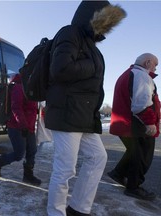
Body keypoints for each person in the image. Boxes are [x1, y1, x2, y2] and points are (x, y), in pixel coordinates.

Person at [45, 1, 126, 215]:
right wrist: (91, 66)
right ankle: (56, 212)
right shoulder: (69, 33)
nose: (106, 26)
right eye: (104, 19)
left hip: (84, 116)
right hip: (66, 113)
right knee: (65, 169)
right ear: (92, 15)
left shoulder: (91, 44)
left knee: (98, 157)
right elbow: (60, 69)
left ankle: (78, 207)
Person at [108, 53, 159, 201]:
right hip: (136, 124)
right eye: (155, 65)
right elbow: (141, 104)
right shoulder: (141, 76)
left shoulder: (129, 73)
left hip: (126, 123)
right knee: (142, 156)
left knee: (134, 153)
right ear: (148, 62)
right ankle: (133, 187)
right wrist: (150, 122)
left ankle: (118, 174)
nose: (155, 68)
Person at [0, 73, 41, 186]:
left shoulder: (32, 87)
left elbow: (32, 109)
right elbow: (16, 107)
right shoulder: (19, 86)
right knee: (18, 154)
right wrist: (23, 126)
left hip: (30, 127)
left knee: (32, 151)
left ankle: (28, 175)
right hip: (17, 126)